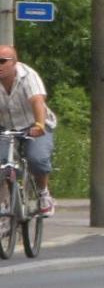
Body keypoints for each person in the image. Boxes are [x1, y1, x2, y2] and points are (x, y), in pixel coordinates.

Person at [0, 45, 56, 217]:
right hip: (6, 127)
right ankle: (4, 204)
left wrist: (39, 125)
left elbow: (37, 101)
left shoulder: (27, 76)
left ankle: (43, 194)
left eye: (3, 61)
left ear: (14, 62)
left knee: (37, 159)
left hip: (34, 125)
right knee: (1, 163)